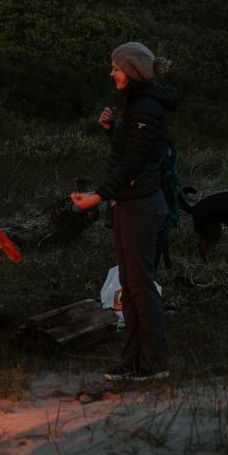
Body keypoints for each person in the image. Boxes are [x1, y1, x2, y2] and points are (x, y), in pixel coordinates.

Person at [71, 42, 178, 382]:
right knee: (129, 285)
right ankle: (132, 360)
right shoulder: (134, 104)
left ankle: (155, 362)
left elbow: (133, 163)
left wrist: (98, 196)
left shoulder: (146, 107)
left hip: (143, 206)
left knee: (141, 285)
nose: (112, 72)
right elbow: (130, 150)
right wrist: (112, 130)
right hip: (130, 204)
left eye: (116, 67)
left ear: (131, 70)